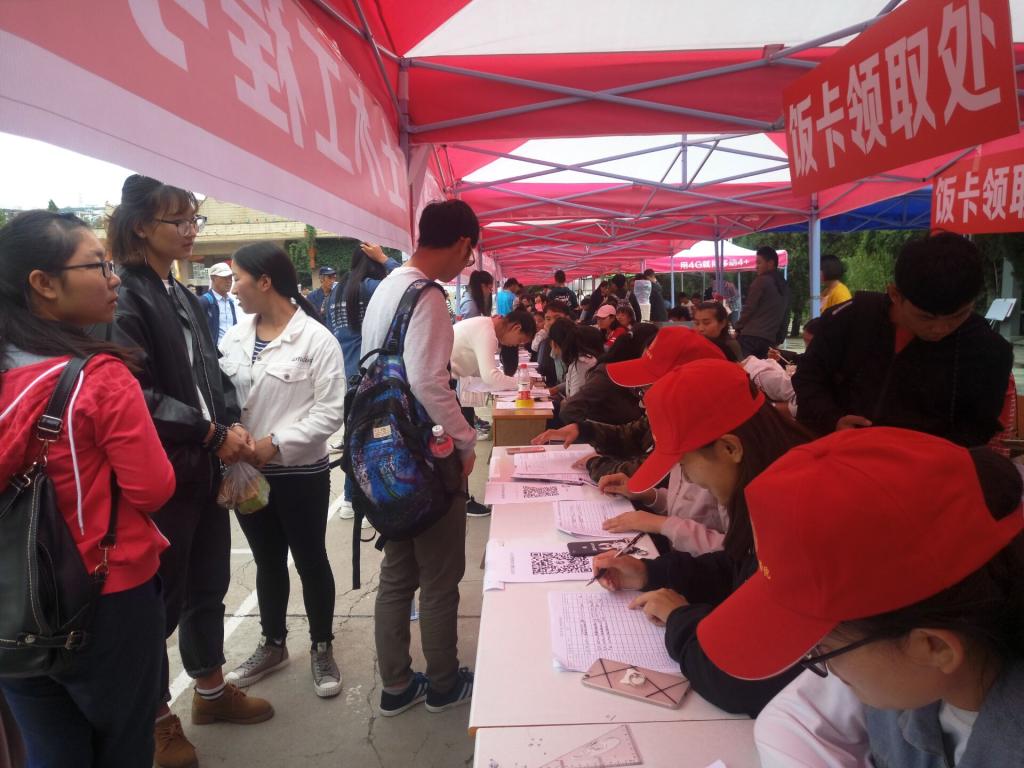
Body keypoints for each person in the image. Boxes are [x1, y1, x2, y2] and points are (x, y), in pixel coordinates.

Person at [696, 428, 1024, 768]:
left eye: (821, 649)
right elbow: (789, 720)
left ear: (935, 647)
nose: (822, 666)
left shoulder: (910, 667)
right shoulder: (916, 661)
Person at [106, 175, 273, 768]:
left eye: (192, 219)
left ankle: (209, 691)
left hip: (204, 463)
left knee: (207, 583)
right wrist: (210, 432)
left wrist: (230, 422)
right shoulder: (126, 296)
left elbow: (209, 371)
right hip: (164, 470)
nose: (190, 231)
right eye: (177, 221)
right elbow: (134, 394)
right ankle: (155, 719)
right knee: (157, 602)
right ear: (140, 227)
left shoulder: (181, 292)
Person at [0, 211, 176, 767]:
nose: (113, 277)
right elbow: (153, 489)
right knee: (123, 746)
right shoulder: (97, 378)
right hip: (105, 597)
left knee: (50, 748)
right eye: (97, 265)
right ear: (43, 283)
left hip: (9, 605)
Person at [590, 359, 811, 717]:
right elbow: (737, 567)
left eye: (685, 464)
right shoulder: (768, 489)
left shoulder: (797, 514)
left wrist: (681, 619)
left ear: (729, 449)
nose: (688, 480)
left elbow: (743, 676)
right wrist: (650, 573)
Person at [359, 200, 479, 717]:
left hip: (383, 454)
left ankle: (396, 685)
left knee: (398, 570)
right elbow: (429, 382)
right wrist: (466, 442)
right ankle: (445, 683)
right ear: (463, 244)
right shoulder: (427, 295)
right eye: (469, 254)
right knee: (439, 575)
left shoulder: (388, 286)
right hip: (426, 454)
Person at [218, 243, 346, 698]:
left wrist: (275, 442)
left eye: (238, 278)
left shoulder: (316, 340)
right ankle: (273, 644)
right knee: (267, 561)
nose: (233, 289)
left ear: (265, 281)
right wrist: (230, 433)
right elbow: (221, 396)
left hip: (299, 473)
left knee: (310, 560)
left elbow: (329, 412)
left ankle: (322, 646)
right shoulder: (234, 338)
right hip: (247, 474)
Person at [793, 232, 1013, 447]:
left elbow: (979, 426)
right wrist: (833, 419)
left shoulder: (987, 350)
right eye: (926, 317)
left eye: (958, 316)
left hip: (932, 465)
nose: (940, 329)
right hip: (841, 451)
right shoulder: (852, 318)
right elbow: (808, 376)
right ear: (895, 295)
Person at [452, 309, 536, 517]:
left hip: (449, 382)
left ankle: (460, 499)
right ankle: (460, 501)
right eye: (519, 340)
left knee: (458, 445)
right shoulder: (487, 331)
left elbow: (480, 371)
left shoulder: (486, 327)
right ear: (516, 327)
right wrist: (521, 383)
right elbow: (489, 376)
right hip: (444, 384)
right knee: (459, 446)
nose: (515, 345)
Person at [558, 323, 657, 427]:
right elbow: (570, 410)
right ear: (644, 349)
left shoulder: (641, 376)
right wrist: (586, 431)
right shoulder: (607, 375)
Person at [734, 246, 789, 358]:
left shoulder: (761, 281)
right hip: (770, 339)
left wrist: (738, 328)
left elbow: (749, 308)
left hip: (750, 337)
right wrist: (780, 338)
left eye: (759, 262)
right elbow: (785, 314)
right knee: (764, 368)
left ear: (770, 263)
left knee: (747, 367)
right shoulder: (784, 285)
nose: (756, 266)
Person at [547, 317, 601, 399]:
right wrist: (557, 389)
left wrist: (561, 402)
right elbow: (573, 383)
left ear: (554, 343)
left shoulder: (581, 363)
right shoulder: (577, 359)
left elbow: (575, 401)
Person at [200, 261, 239, 344]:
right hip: (214, 350)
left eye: (230, 277)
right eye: (224, 278)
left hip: (231, 347)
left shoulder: (230, 302)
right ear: (213, 278)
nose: (229, 281)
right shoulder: (205, 301)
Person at [537, 302, 573, 387]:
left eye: (557, 318)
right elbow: (543, 372)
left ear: (568, 318)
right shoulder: (544, 344)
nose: (552, 322)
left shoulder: (575, 343)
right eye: (548, 319)